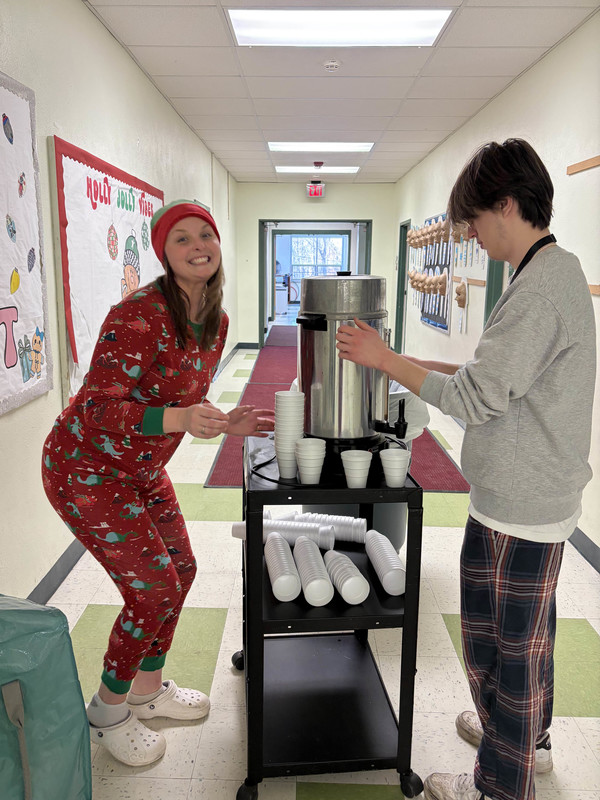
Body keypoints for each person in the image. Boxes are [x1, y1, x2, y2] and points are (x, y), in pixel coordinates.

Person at [335, 139, 595, 800]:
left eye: (475, 223)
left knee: (502, 652)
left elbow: (478, 398)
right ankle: (524, 743)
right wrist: (420, 368)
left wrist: (386, 358)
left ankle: (498, 786)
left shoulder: (541, 287)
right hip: (531, 491)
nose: (472, 237)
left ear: (506, 205)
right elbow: (499, 380)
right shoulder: (545, 272)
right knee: (525, 640)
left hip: (520, 501)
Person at [42, 199, 274, 767]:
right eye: (181, 239)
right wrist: (176, 420)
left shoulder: (214, 321)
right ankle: (108, 710)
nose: (198, 246)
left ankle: (149, 691)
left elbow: (184, 399)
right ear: (164, 256)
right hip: (86, 468)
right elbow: (97, 408)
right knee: (152, 591)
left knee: (183, 571)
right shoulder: (139, 316)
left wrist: (224, 421)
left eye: (206, 236)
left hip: (140, 468)